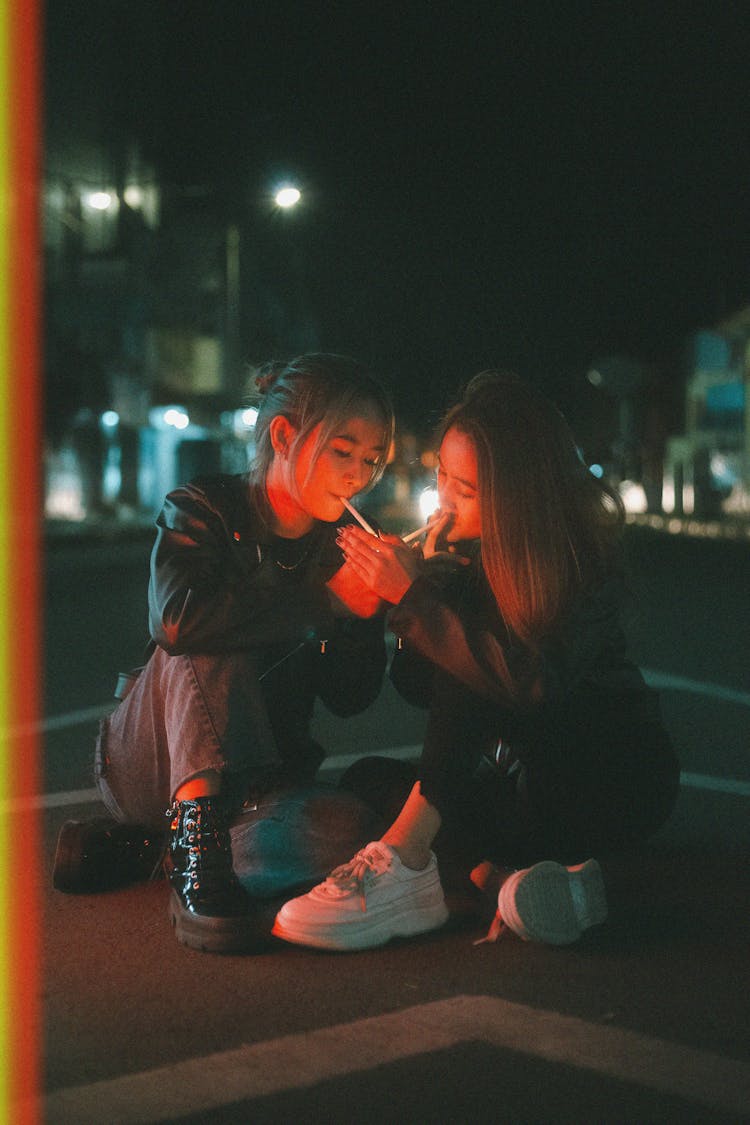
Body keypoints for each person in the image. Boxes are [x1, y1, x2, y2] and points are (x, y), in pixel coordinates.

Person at [272, 371, 680, 951]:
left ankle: (411, 866)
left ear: (517, 494)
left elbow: (524, 681)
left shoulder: (571, 564)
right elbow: (418, 689)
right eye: (441, 475)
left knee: (445, 751)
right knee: (368, 783)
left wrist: (419, 601)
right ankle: (515, 881)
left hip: (608, 776)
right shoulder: (469, 560)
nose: (443, 498)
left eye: (464, 489)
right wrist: (425, 593)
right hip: (525, 780)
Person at [53, 353, 396, 953]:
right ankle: (198, 865)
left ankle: (169, 850)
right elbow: (178, 622)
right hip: (152, 763)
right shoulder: (202, 509)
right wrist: (321, 601)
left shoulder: (339, 549)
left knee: (359, 832)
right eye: (344, 452)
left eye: (371, 460)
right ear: (285, 436)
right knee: (210, 632)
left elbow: (350, 698)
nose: (358, 476)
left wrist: (368, 613)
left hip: (260, 780)